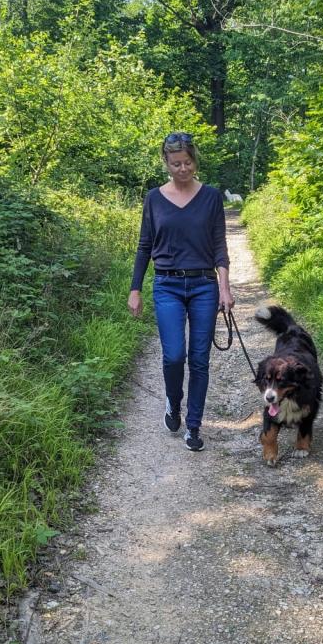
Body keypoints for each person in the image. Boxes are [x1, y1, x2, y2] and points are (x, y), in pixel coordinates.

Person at [128, 132, 234, 452]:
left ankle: (193, 426)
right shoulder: (154, 199)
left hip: (204, 285)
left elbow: (219, 246)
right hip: (167, 285)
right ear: (166, 163)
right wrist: (135, 289)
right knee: (174, 355)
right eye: (176, 164)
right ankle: (173, 404)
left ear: (195, 161)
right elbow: (145, 246)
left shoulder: (212, 196)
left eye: (187, 162)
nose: (182, 169)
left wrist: (225, 289)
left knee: (199, 359)